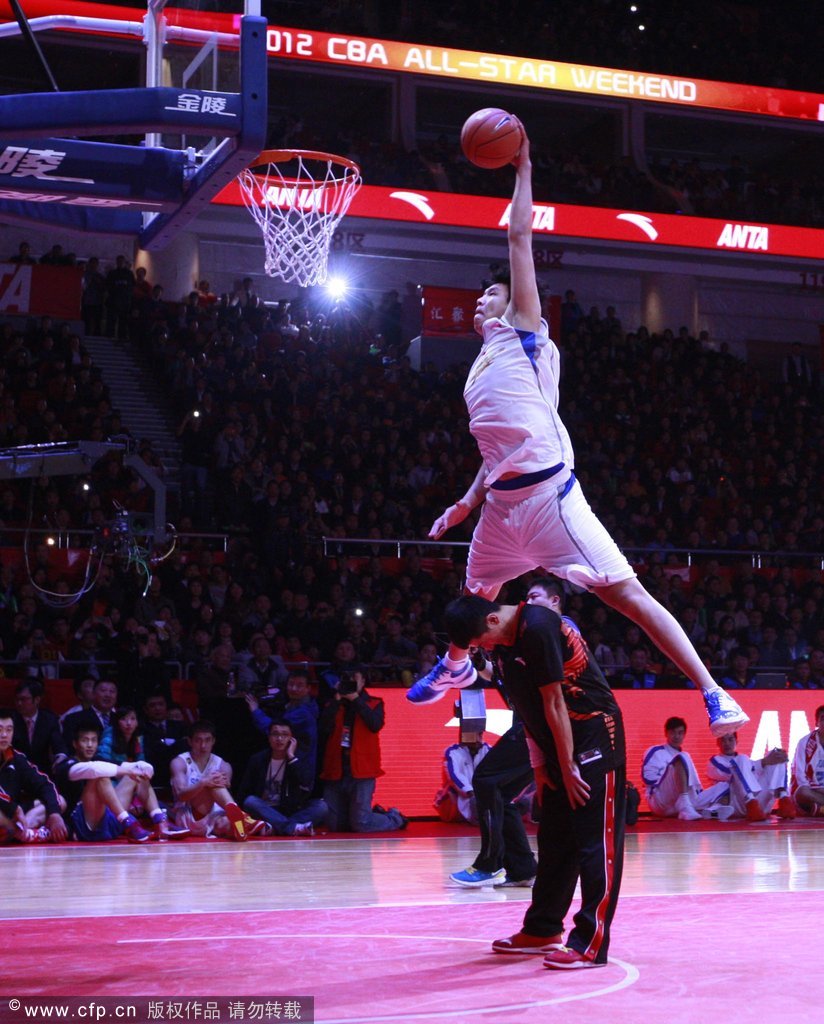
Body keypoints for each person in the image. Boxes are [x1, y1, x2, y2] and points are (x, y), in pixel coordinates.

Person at [405, 121, 746, 740]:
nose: (483, 297)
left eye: (493, 293)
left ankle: (714, 692)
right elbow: (498, 449)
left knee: (629, 597)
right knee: (470, 600)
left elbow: (517, 238)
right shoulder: (482, 367)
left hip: (550, 502)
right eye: (484, 295)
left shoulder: (522, 331)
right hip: (503, 509)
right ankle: (456, 669)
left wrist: (524, 169)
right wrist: (464, 502)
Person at [437, 592, 625, 970]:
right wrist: (541, 767)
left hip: (592, 737)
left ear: (492, 621)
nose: (483, 650)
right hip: (555, 741)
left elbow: (555, 702)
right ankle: (542, 929)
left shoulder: (538, 626)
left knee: (594, 842)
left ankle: (591, 941)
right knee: (555, 838)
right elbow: (527, 710)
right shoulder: (502, 645)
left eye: (482, 643)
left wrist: (569, 766)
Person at [448, 576, 574, 889]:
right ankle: (521, 868)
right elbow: (507, 681)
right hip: (533, 722)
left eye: (535, 598)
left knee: (486, 779)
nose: (528, 605)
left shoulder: (556, 627)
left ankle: (490, 864)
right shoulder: (522, 636)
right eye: (526, 599)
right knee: (499, 792)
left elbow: (553, 694)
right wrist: (484, 662)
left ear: (555, 601)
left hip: (545, 724)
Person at [319, 665, 406, 833]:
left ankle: (395, 818)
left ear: (363, 681)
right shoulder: (333, 703)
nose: (350, 682)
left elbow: (375, 724)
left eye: (354, 678)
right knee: (334, 825)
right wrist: (337, 700)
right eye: (346, 678)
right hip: (336, 769)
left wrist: (355, 699)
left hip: (362, 770)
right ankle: (372, 813)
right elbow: (323, 728)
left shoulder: (375, 703)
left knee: (360, 824)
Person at [53, 719, 155, 843]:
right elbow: (94, 769)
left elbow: (131, 766)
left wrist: (144, 767)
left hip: (107, 820)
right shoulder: (66, 765)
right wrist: (129, 770)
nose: (90, 745)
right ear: (75, 744)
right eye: (85, 740)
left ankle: (161, 821)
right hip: (83, 825)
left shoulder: (99, 760)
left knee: (138, 774)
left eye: (93, 740)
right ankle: (128, 822)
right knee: (100, 774)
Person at [169, 720, 264, 840]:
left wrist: (216, 782)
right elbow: (181, 796)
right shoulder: (179, 762)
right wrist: (203, 782)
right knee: (212, 782)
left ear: (213, 741)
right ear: (190, 741)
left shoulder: (224, 765)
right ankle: (244, 817)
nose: (203, 745)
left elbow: (224, 796)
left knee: (227, 824)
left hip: (214, 816)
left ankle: (245, 826)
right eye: (198, 740)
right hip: (189, 816)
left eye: (207, 740)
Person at [239, 719, 326, 836]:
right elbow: (244, 791)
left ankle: (275, 827)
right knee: (250, 801)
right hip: (264, 809)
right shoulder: (257, 759)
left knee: (321, 806)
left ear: (292, 739)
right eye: (275, 734)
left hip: (291, 811)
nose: (279, 739)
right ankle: (292, 828)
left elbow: (307, 783)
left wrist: (291, 757)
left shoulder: (298, 759)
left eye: (284, 735)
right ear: (269, 737)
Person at [641, 717, 732, 821]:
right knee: (682, 757)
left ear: (684, 735)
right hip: (660, 801)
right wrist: (673, 776)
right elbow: (648, 778)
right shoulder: (656, 751)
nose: (676, 736)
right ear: (666, 733)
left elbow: (695, 786)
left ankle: (712, 810)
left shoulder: (684, 758)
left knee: (725, 786)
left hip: (678, 805)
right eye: (673, 733)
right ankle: (686, 803)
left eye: (680, 733)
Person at [0, 708, 67, 844]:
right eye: (0, 729)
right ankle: (24, 834)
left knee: (60, 801)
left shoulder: (16, 758)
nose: (4, 735)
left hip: (13, 814)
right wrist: (14, 808)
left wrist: (54, 813)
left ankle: (21, 833)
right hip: (7, 812)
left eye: (9, 730)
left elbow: (45, 784)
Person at [706, 732, 795, 821]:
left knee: (777, 754)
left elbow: (754, 776)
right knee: (741, 759)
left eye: (730, 739)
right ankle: (750, 802)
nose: (727, 743)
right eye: (723, 740)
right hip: (738, 805)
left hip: (759, 806)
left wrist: (767, 761)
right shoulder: (714, 762)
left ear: (736, 742)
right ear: (718, 742)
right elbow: (731, 772)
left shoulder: (747, 762)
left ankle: (784, 799)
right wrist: (763, 762)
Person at [11, 679, 67, 775]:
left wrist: (60, 757)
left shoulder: (49, 719)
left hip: (42, 771)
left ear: (37, 700)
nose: (19, 703)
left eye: (24, 699)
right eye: (17, 699)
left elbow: (58, 745)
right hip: (16, 770)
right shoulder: (11, 719)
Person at [790, 704, 824, 816]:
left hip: (819, 798)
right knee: (802, 792)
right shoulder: (805, 743)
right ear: (817, 723)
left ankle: (819, 810)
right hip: (813, 792)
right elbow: (800, 776)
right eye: (823, 719)